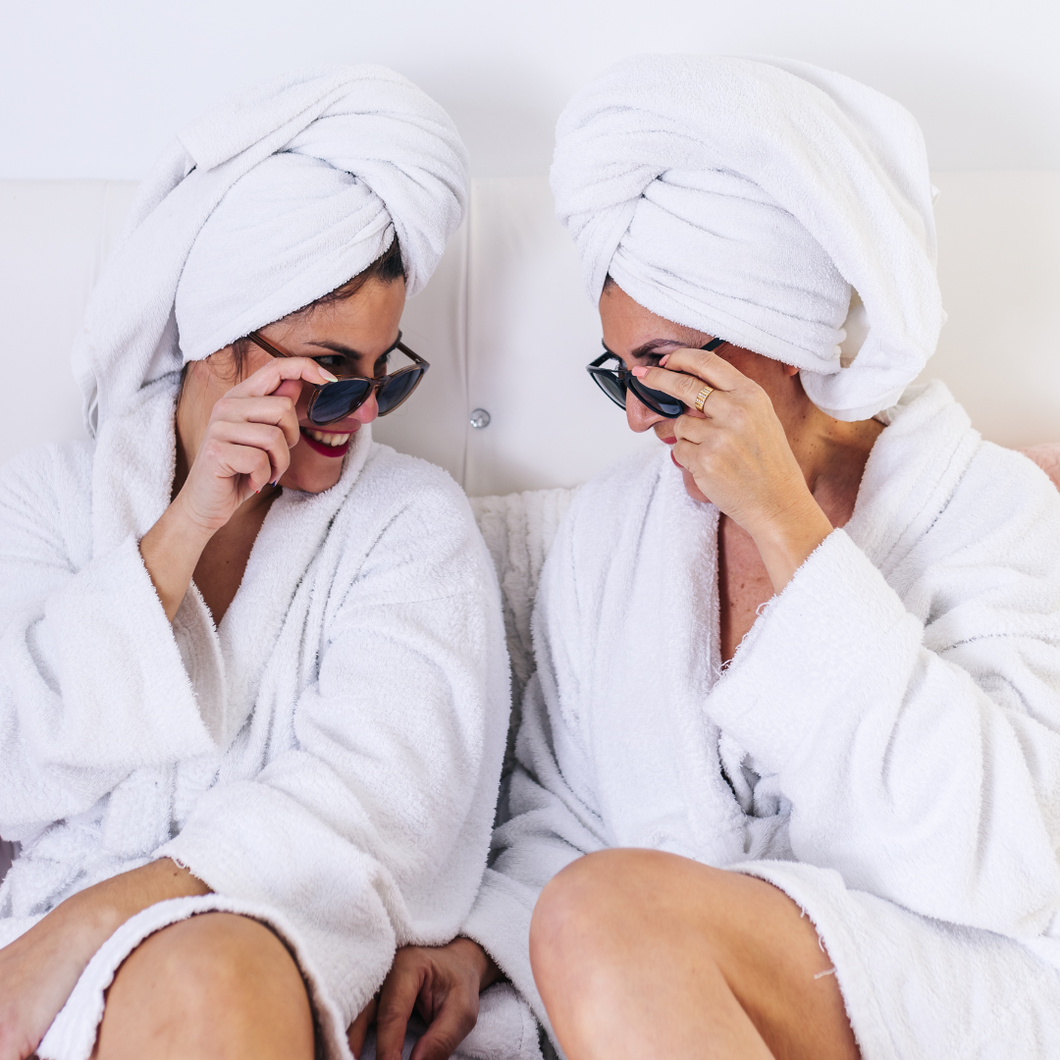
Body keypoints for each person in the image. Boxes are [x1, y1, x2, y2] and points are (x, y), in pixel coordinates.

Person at [376, 57, 1060, 1060]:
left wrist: (789, 527)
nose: (643, 421)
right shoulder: (616, 536)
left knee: (600, 912)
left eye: (671, 376)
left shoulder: (985, 508)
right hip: (683, 981)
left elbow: (1013, 855)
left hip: (939, 971)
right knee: (590, 910)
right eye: (622, 376)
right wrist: (481, 942)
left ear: (781, 342)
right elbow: (562, 807)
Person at [0, 67, 511, 1060]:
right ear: (222, 351)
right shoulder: (44, 501)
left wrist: (103, 921)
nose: (358, 416)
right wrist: (180, 533)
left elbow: (381, 801)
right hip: (40, 963)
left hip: (280, 938)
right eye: (329, 378)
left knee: (208, 969)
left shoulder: (409, 521)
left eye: (383, 377)